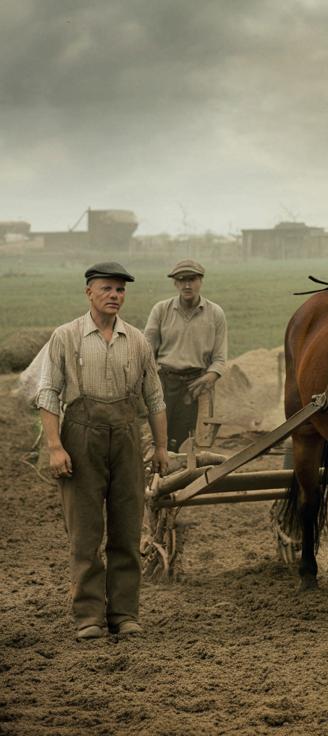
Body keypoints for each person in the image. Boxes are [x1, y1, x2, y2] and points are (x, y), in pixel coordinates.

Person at [37, 262, 169, 641]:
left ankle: (125, 614)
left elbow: (155, 398)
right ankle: (89, 617)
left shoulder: (139, 340)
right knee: (85, 533)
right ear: (89, 293)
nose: (115, 296)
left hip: (127, 437)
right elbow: (48, 394)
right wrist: (55, 447)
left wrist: (160, 447)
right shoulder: (66, 336)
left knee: (127, 531)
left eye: (121, 290)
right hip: (80, 439)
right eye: (107, 289)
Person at [144, 259, 228, 452]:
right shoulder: (161, 310)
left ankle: (176, 478)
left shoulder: (215, 313)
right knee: (158, 438)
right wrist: (152, 378)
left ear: (201, 281)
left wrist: (210, 376)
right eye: (181, 280)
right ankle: (156, 478)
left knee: (183, 441)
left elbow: (220, 358)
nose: (187, 285)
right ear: (175, 283)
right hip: (164, 382)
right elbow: (146, 350)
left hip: (194, 385)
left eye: (192, 279)